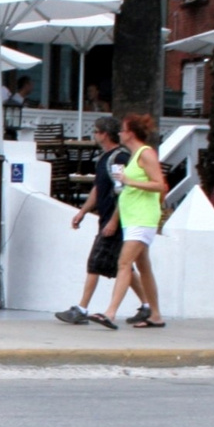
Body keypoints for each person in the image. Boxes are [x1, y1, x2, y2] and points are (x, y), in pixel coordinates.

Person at [55, 115, 146, 325]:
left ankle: (81, 308)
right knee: (124, 267)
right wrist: (83, 211)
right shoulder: (105, 159)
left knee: (95, 263)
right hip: (107, 218)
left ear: (104, 134)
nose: (94, 135)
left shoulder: (119, 158)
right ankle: (148, 306)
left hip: (116, 220)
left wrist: (114, 221)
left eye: (96, 131)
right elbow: (99, 188)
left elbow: (124, 191)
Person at [88, 113, 167, 330]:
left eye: (122, 130)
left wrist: (129, 180)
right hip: (133, 218)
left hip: (142, 218)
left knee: (124, 263)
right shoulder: (134, 156)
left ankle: (110, 313)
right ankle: (156, 315)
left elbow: (160, 184)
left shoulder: (145, 154)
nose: (120, 133)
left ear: (130, 133)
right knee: (144, 266)